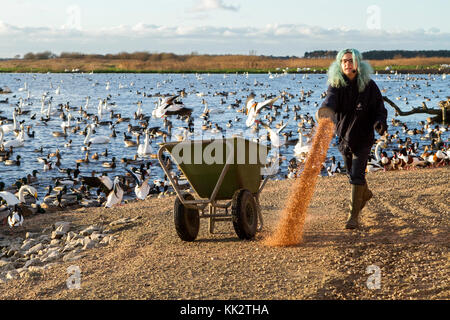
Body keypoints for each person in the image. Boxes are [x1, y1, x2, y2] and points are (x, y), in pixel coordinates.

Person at [316, 48, 388, 229]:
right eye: (344, 61)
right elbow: (330, 100)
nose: (348, 64)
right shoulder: (336, 85)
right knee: (351, 175)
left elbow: (380, 107)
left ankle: (352, 217)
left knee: (357, 174)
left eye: (351, 60)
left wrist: (380, 121)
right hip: (344, 138)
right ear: (339, 65)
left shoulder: (369, 86)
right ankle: (364, 194)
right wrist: (326, 111)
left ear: (358, 63)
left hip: (364, 137)